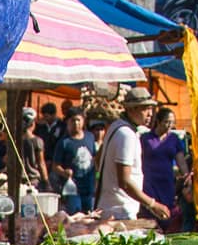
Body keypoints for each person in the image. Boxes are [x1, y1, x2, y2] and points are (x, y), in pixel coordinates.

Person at [95, 87, 170, 222]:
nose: (150, 114)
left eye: (151, 109)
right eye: (145, 109)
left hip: (109, 208)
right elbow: (124, 181)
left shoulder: (115, 126)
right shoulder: (126, 134)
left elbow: (98, 159)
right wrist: (152, 204)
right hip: (119, 212)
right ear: (131, 109)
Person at [140, 106, 189, 230]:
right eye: (167, 122)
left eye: (172, 123)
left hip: (167, 184)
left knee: (167, 216)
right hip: (149, 184)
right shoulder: (146, 139)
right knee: (150, 217)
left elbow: (181, 161)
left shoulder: (174, 139)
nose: (169, 125)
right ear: (158, 121)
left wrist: (187, 176)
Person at [49, 109, 98, 213]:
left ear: (83, 121)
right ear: (68, 122)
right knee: (75, 215)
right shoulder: (64, 143)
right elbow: (55, 166)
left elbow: (94, 158)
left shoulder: (90, 137)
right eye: (73, 121)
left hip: (89, 186)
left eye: (78, 120)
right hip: (73, 188)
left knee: (90, 214)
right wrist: (64, 172)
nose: (76, 123)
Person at [19, 106, 49, 191]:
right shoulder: (37, 141)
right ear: (32, 124)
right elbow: (41, 163)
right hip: (34, 181)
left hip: (18, 181)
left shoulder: (15, 141)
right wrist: (47, 182)